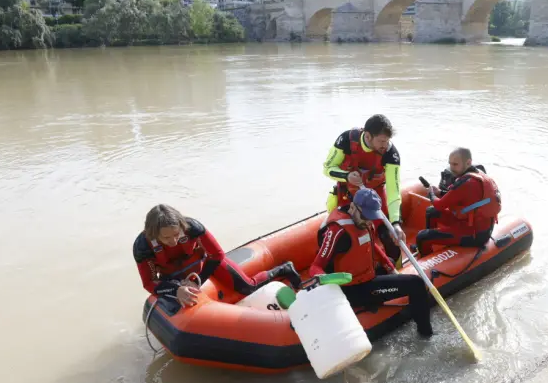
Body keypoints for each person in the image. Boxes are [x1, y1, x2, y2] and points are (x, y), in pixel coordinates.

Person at [308, 188, 433, 338]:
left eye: (371, 217)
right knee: (416, 284)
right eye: (365, 217)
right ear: (353, 206)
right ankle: (426, 336)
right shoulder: (338, 230)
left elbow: (371, 244)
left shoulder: (363, 219)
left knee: (391, 263)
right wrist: (326, 280)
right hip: (352, 288)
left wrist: (390, 267)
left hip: (366, 276)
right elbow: (315, 267)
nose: (368, 221)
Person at [133, 204, 301, 308]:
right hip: (174, 278)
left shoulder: (192, 227)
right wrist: (176, 289)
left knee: (247, 287)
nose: (174, 241)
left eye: (176, 235)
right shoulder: (143, 247)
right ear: (154, 234)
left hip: (203, 265)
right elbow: (149, 282)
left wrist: (197, 279)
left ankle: (283, 269)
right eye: (166, 238)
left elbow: (217, 254)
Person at [322, 114, 405, 262]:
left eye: (387, 141)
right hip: (348, 195)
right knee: (345, 237)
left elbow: (394, 192)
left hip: (375, 198)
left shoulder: (391, 154)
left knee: (388, 237)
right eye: (381, 141)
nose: (385, 146)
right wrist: (347, 176)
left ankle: (396, 269)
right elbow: (327, 168)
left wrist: (396, 224)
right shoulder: (345, 141)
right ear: (367, 136)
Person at [416, 148, 501, 257]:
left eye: (455, 164)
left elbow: (439, 205)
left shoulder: (466, 183)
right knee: (431, 212)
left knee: (422, 237)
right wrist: (440, 192)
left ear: (468, 162)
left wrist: (432, 193)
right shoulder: (479, 174)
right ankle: (434, 242)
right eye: (450, 164)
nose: (451, 168)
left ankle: (425, 259)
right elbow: (459, 197)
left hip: (474, 234)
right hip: (474, 224)